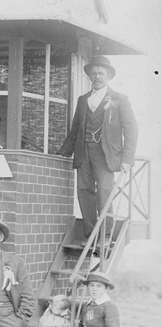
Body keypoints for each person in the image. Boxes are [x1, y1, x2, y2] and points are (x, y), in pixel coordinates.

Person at [57, 55, 138, 241]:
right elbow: (75, 130)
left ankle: (105, 235)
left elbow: (131, 130)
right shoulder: (83, 99)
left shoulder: (119, 99)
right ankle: (90, 235)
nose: (97, 76)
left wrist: (127, 159)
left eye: (101, 73)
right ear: (90, 76)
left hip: (105, 154)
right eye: (93, 73)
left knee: (104, 192)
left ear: (108, 76)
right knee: (84, 191)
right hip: (83, 152)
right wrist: (63, 152)